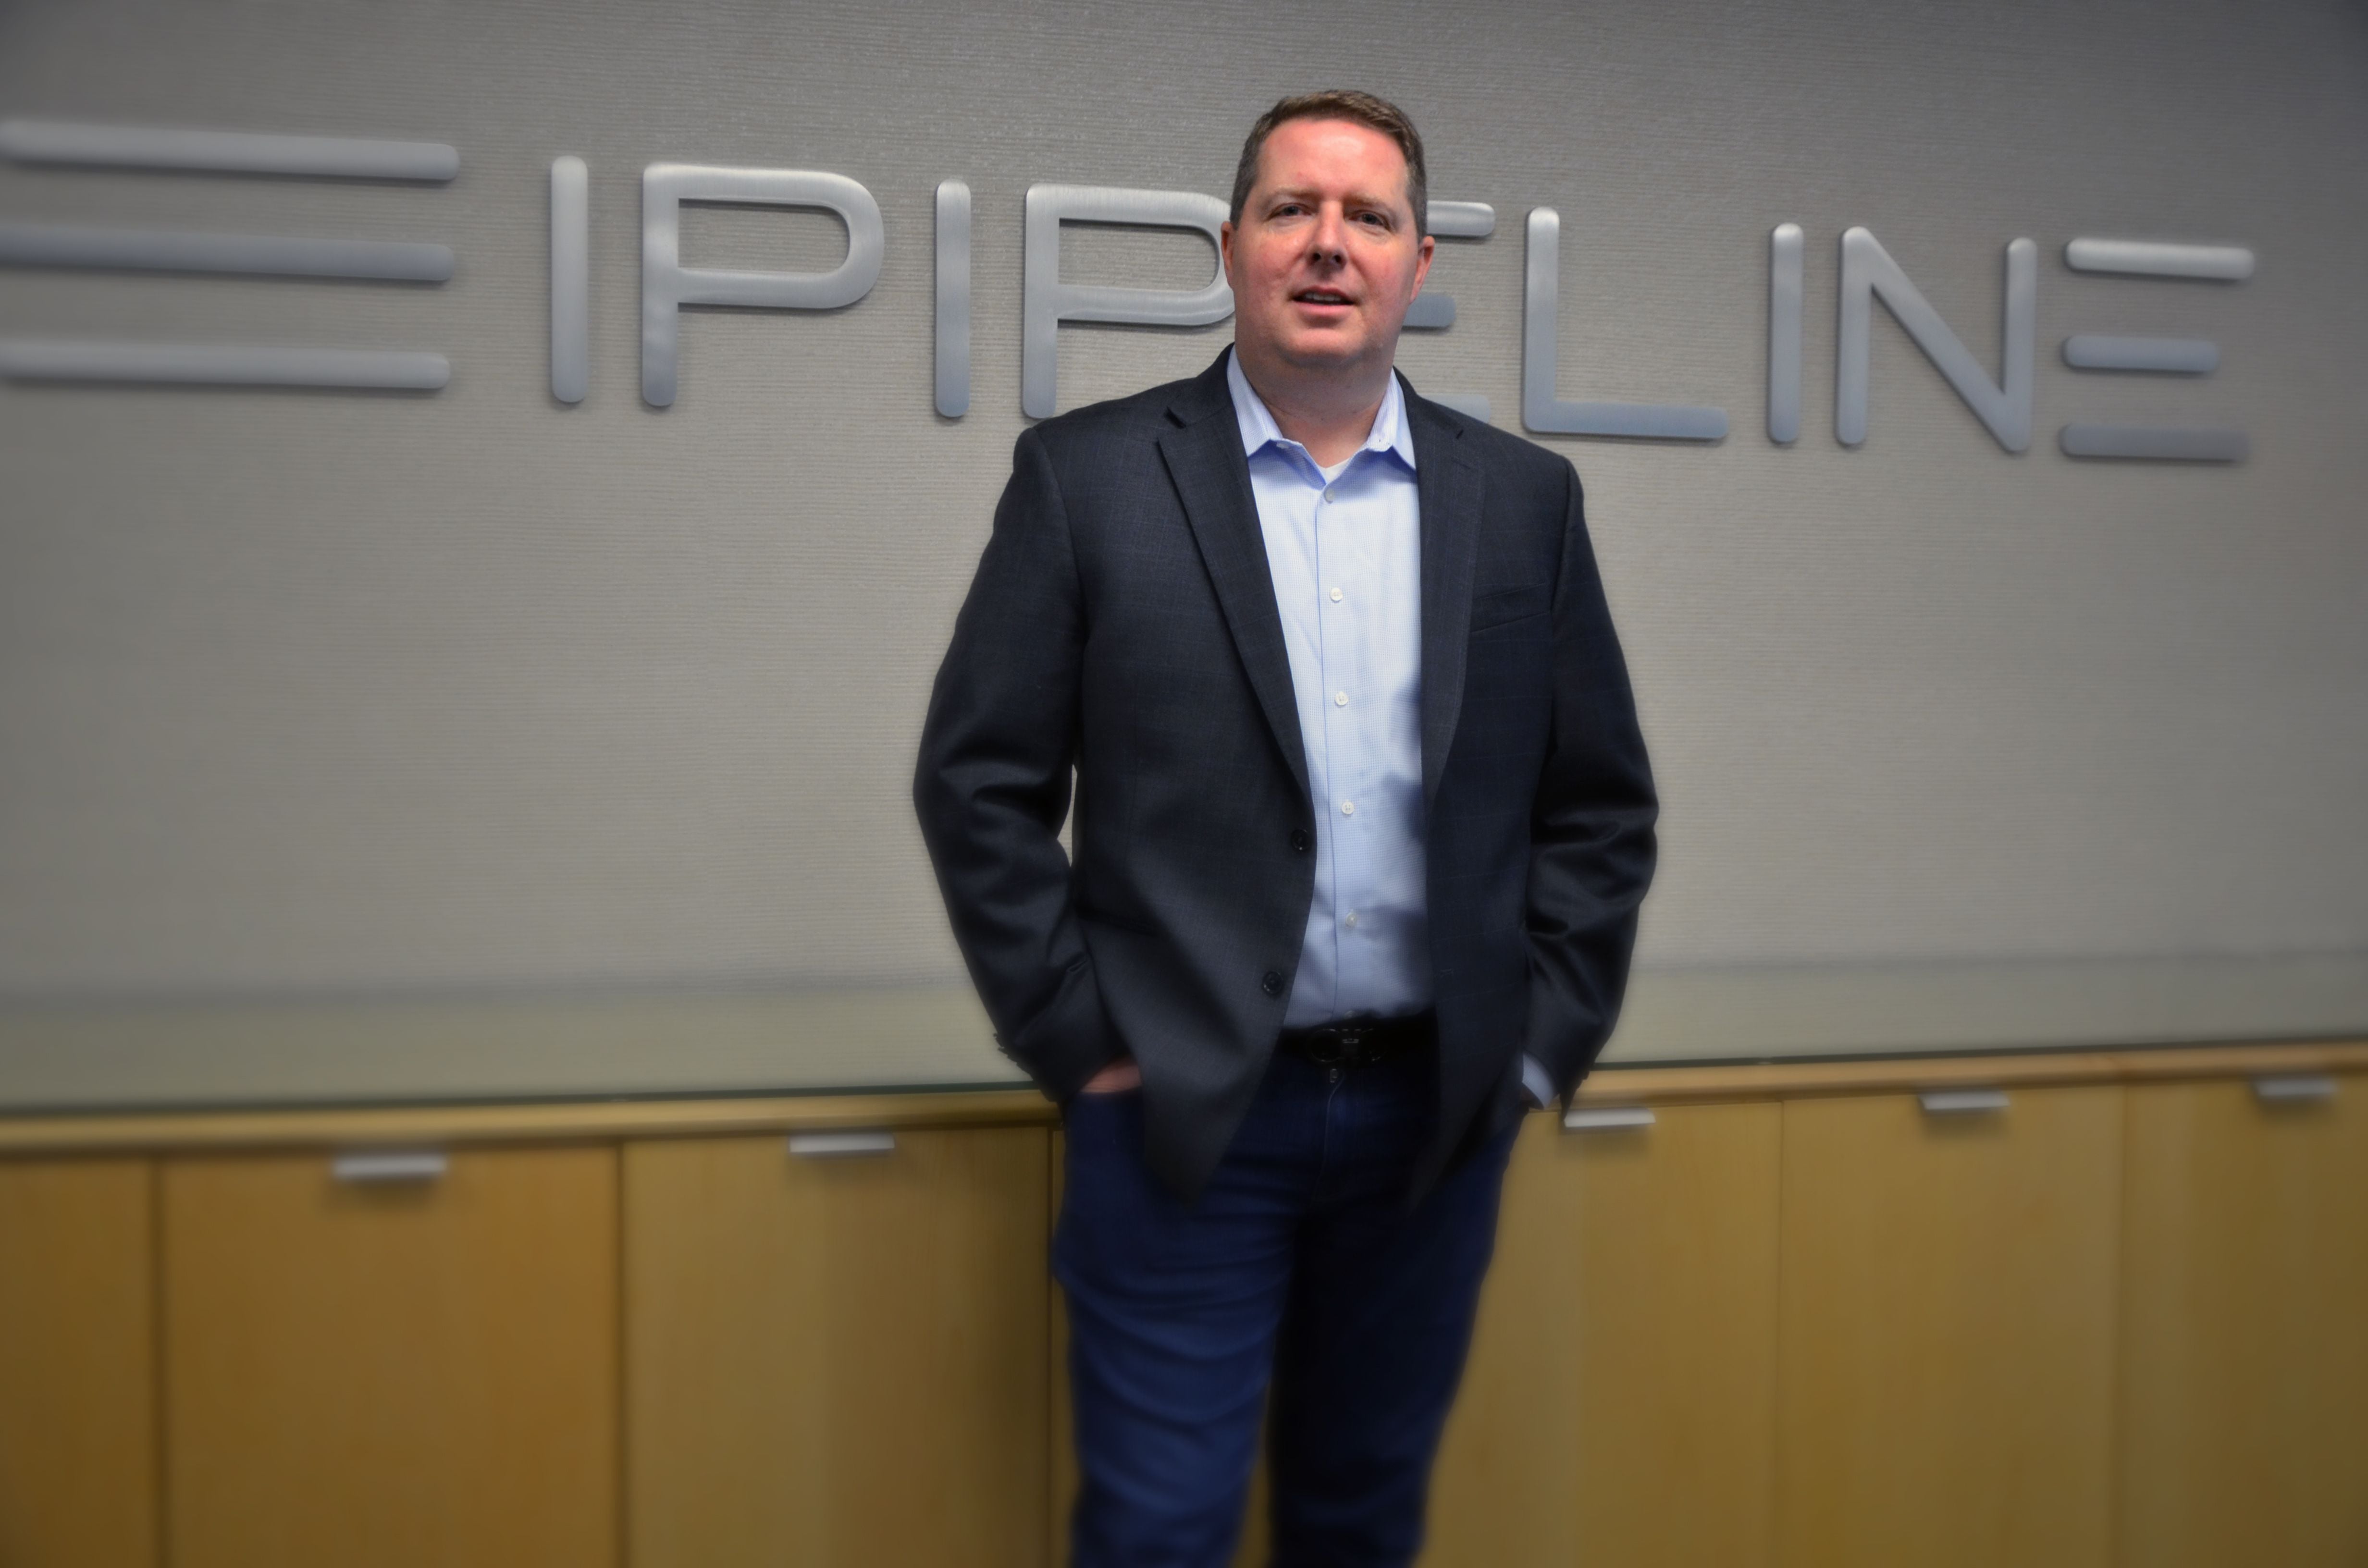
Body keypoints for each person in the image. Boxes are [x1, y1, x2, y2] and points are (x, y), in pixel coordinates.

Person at [914, 89, 1656, 1568]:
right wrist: (1081, 1043)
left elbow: (1597, 802)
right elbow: (980, 781)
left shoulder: (1525, 501)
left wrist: (1531, 1049)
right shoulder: (1090, 479)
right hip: (1183, 1120)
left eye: (1367, 217)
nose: (1329, 244)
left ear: (1418, 265)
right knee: (1158, 1531)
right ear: (1234, 246)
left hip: (1433, 1121)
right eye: (1291, 210)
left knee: (1360, 1518)